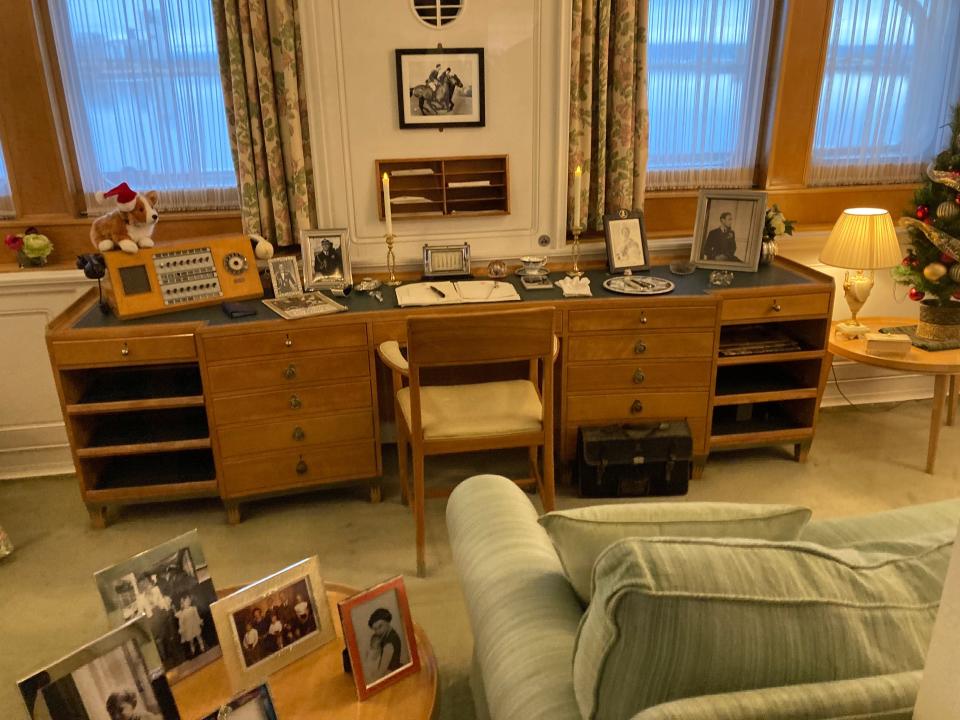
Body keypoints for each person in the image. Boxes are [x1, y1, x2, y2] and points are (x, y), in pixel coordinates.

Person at [365, 607, 403, 682]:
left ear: (387, 622)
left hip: (391, 674)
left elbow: (381, 672)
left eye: (380, 626)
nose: (378, 631)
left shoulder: (389, 643)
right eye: (375, 629)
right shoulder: (384, 636)